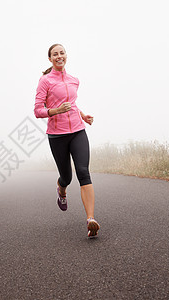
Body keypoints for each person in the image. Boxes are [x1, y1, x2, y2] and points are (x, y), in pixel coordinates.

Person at [34, 43, 100, 237]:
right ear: (50, 59)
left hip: (78, 131)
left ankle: (90, 220)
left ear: (66, 56)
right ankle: (61, 190)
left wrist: (83, 115)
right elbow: (38, 110)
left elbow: (71, 103)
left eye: (62, 53)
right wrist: (55, 111)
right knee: (67, 177)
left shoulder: (74, 80)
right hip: (57, 135)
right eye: (55, 54)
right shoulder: (45, 81)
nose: (59, 56)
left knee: (83, 171)